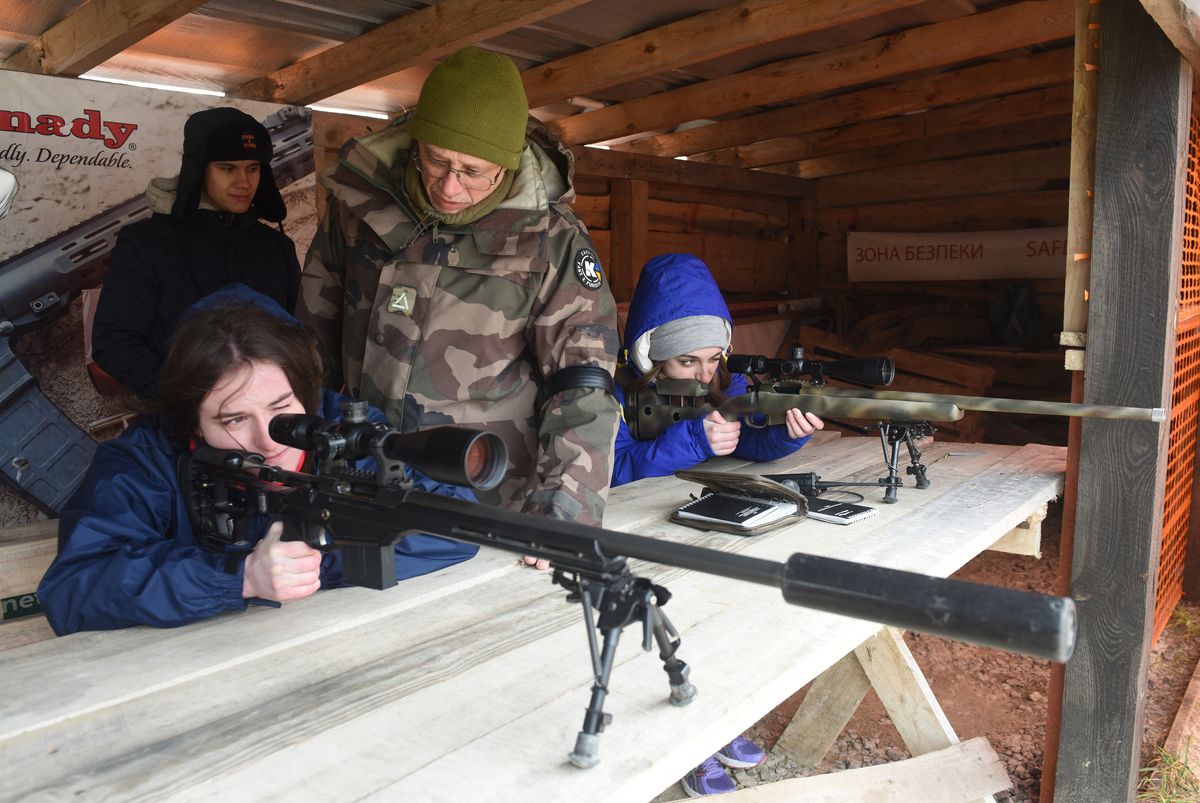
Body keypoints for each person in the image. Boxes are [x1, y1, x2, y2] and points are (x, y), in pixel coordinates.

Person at [297, 47, 619, 538]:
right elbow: (309, 347)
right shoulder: (357, 210)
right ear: (414, 144)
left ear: (507, 166)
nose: (449, 186)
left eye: (473, 172)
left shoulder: (552, 240)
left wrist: (566, 504)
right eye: (436, 160)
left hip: (488, 495)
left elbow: (582, 381)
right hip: (363, 482)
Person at [38, 286, 477, 635]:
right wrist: (238, 576)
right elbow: (74, 588)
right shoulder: (145, 460)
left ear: (307, 396)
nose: (265, 438)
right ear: (191, 420)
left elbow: (456, 525)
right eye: (233, 418)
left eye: (282, 408)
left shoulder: (347, 435)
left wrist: (318, 558)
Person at [612, 253, 824, 797]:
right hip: (627, 538)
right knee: (656, 636)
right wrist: (690, 442)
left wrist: (788, 432)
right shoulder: (609, 398)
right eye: (688, 362)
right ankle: (684, 742)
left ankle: (717, 719)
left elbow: (751, 439)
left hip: (696, 526)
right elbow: (608, 468)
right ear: (650, 356)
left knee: (729, 617)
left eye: (713, 358)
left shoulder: (719, 384)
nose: (706, 374)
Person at [91, 106, 302, 399]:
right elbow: (113, 341)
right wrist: (187, 405)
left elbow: (298, 337)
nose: (244, 182)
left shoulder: (277, 247)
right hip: (180, 425)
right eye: (228, 168)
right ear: (198, 169)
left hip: (268, 424)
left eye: (252, 168)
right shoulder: (146, 244)